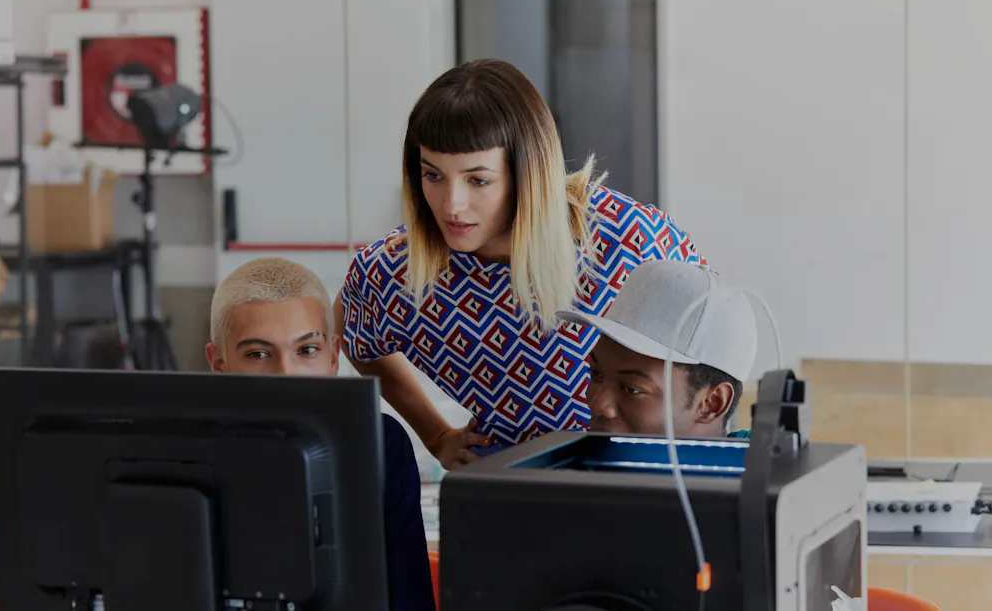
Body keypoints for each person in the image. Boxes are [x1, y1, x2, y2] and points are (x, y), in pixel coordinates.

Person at [335, 58, 708, 470]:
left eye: (478, 179)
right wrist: (437, 434)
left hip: (646, 480)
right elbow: (353, 333)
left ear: (527, 173)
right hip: (512, 491)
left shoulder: (626, 235)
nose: (451, 204)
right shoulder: (391, 272)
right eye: (433, 175)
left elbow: (714, 338)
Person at [206, 257, 435, 611]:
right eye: (258, 353)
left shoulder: (381, 446)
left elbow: (409, 598)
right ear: (219, 364)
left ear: (332, 357)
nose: (286, 374)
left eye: (307, 350)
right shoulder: (187, 451)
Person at [557, 260, 757, 438]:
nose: (598, 404)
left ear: (711, 404)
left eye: (631, 389)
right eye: (596, 374)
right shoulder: (567, 469)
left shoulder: (764, 475)